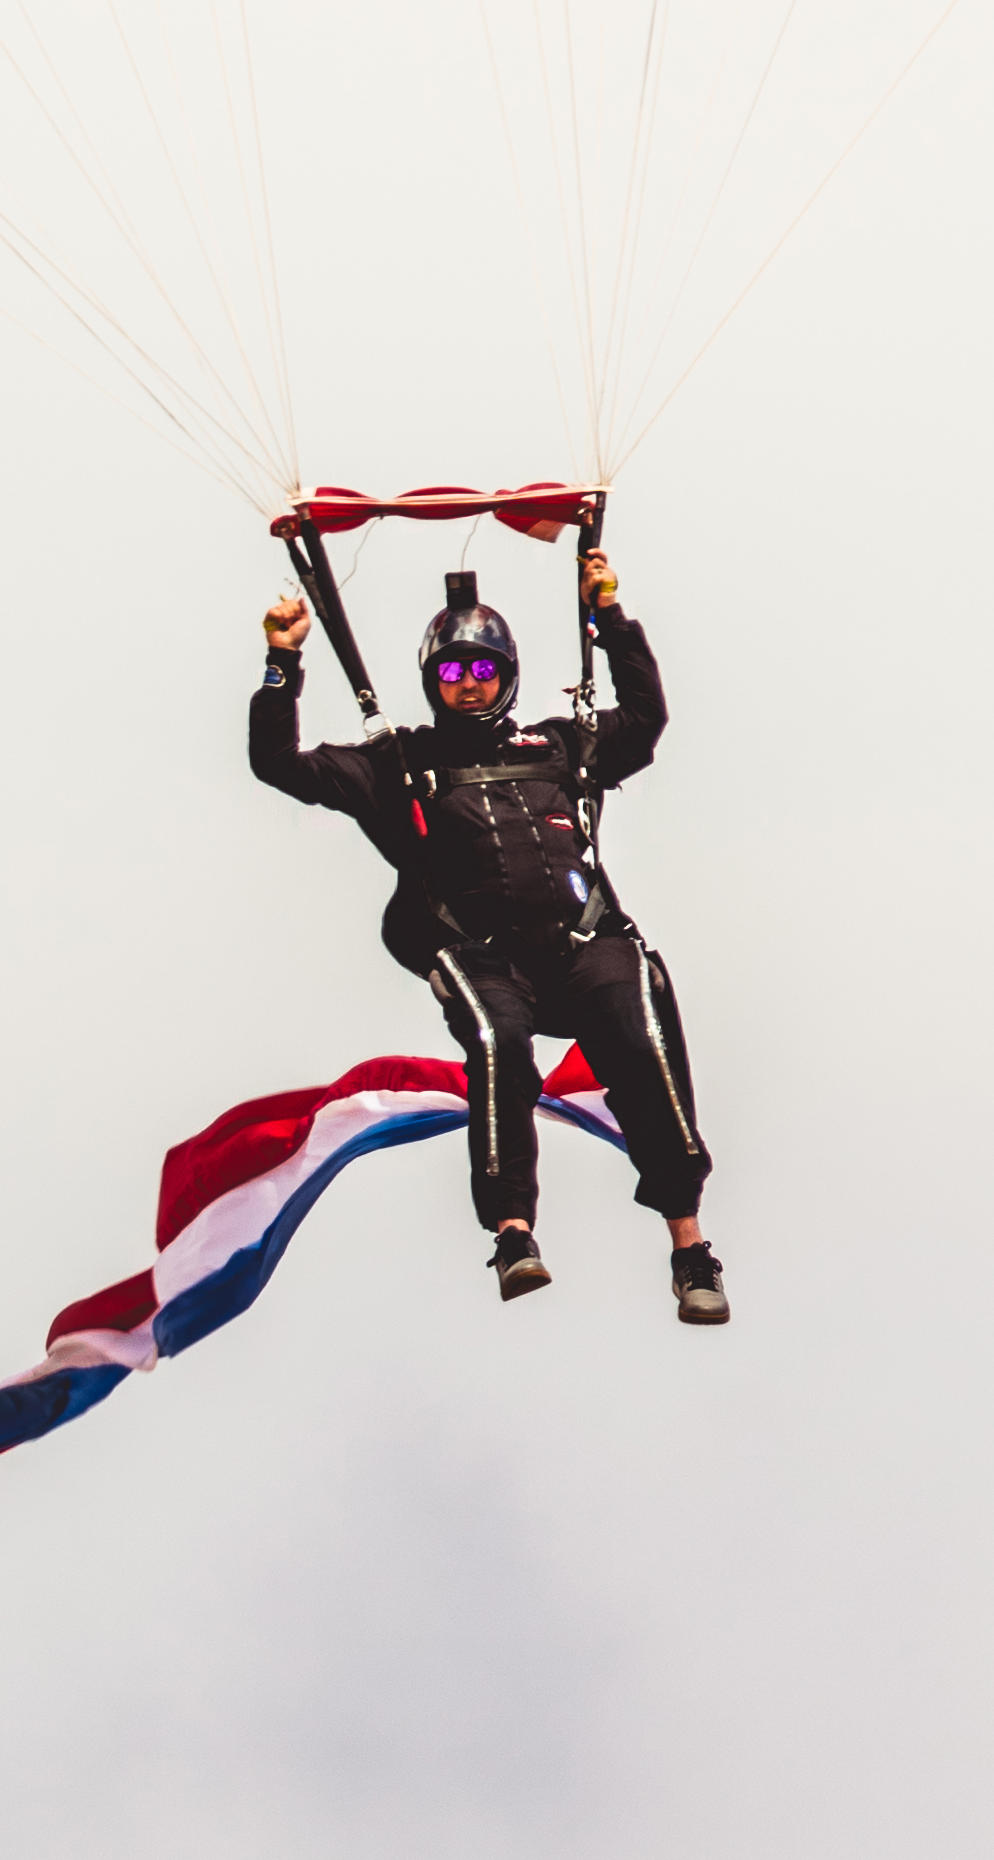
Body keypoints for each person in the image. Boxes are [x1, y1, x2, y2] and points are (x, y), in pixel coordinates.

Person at [250, 555, 727, 1322]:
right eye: (449, 671)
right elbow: (276, 764)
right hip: (482, 956)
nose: (465, 682)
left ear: (503, 672)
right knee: (501, 1043)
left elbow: (644, 722)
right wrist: (282, 660)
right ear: (431, 681)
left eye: (479, 667)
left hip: (584, 943)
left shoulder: (559, 747)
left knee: (639, 1047)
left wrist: (610, 618)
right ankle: (512, 1233)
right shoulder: (397, 763)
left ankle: (689, 1247)